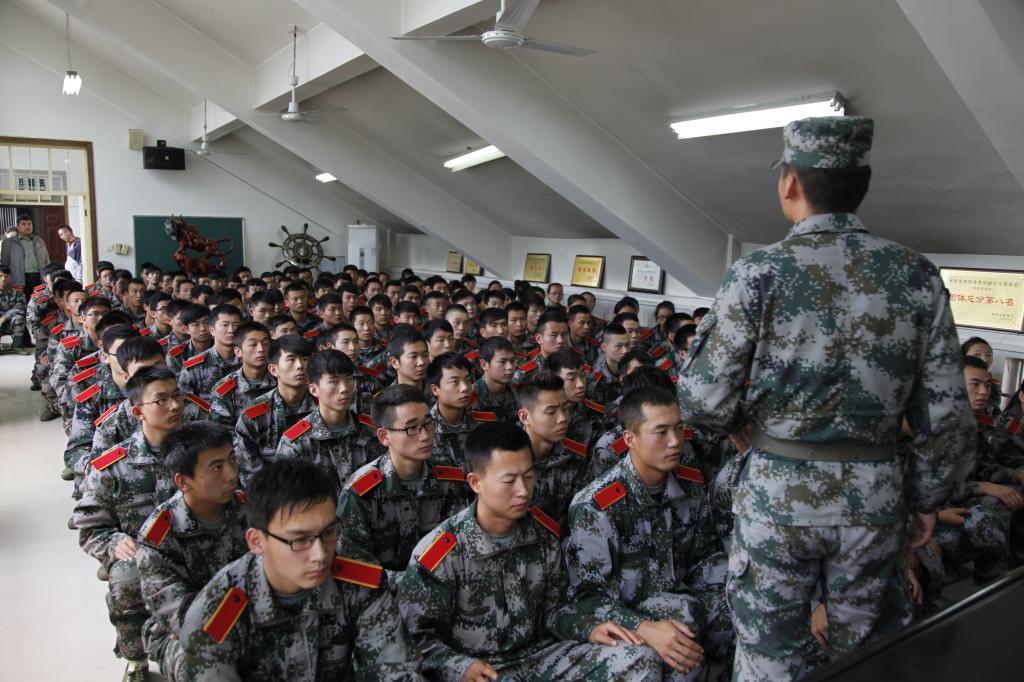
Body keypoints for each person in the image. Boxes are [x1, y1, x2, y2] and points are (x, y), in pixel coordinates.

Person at [677, 116, 973, 681]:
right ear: (862, 183)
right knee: (867, 658)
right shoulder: (915, 276)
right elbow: (947, 413)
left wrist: (744, 427)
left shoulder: (758, 272)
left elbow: (702, 399)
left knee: (769, 657)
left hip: (777, 495)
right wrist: (928, 499)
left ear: (790, 183)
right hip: (876, 497)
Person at [400, 421, 661, 681]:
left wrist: (587, 627)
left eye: (528, 476)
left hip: (539, 658)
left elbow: (554, 611)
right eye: (509, 481)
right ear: (475, 482)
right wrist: (459, 667)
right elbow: (417, 639)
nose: (523, 491)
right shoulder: (439, 554)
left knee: (640, 659)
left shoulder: (542, 535)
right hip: (481, 669)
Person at [177, 459, 421, 679]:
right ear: (256, 541)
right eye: (300, 540)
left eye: (328, 533)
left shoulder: (360, 580)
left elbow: (395, 670)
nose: (320, 555)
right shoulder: (217, 613)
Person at [563, 388, 732, 680]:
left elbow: (704, 560)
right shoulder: (598, 506)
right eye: (661, 432)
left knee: (745, 607)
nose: (675, 441)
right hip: (624, 614)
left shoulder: (689, 488)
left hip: (681, 599)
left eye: (679, 428)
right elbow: (585, 597)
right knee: (682, 621)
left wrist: (740, 585)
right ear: (630, 439)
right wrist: (642, 625)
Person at [73, 366, 184, 682]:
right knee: (125, 575)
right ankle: (135, 656)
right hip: (143, 553)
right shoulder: (114, 465)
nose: (174, 406)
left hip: (203, 541)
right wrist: (112, 541)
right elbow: (90, 525)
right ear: (138, 411)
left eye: (177, 396)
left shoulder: (203, 450)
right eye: (161, 400)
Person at [136, 422, 249, 681]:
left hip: (251, 611)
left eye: (232, 460)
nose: (231, 474)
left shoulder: (249, 507)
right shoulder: (158, 537)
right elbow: (181, 616)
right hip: (180, 630)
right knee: (205, 668)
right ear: (183, 481)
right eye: (217, 467)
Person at [336, 385, 469, 581]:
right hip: (378, 594)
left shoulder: (449, 479)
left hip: (438, 584)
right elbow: (356, 567)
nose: (424, 436)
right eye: (411, 428)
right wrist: (408, 584)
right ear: (384, 436)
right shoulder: (360, 492)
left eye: (428, 424)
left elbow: (456, 544)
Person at [274, 350, 383, 493]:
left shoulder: (371, 430)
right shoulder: (295, 441)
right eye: (334, 381)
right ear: (314, 390)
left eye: (348, 379)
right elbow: (287, 495)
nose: (344, 389)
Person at [234, 335, 316, 487]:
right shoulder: (253, 415)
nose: (300, 366)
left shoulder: (323, 404)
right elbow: (251, 475)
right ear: (273, 369)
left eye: (305, 359)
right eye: (291, 359)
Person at [208, 321, 276, 427]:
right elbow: (223, 431)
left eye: (265, 343)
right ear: (238, 351)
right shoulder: (223, 390)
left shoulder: (281, 379)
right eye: (253, 344)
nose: (261, 349)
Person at [0, 213, 51, 291]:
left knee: (38, 302)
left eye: (29, 224)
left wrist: (47, 277)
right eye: (23, 224)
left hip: (38, 278)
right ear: (17, 226)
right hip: (17, 280)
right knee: (20, 302)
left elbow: (46, 261)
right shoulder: (8, 242)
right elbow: (4, 264)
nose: (27, 226)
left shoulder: (39, 241)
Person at [0, 265, 27, 349]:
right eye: (0, 276)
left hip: (11, 322)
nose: (3, 279)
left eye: (6, 276)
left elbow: (21, 308)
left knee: (19, 318)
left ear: (10, 277)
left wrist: (4, 317)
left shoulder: (17, 291)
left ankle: (17, 346)